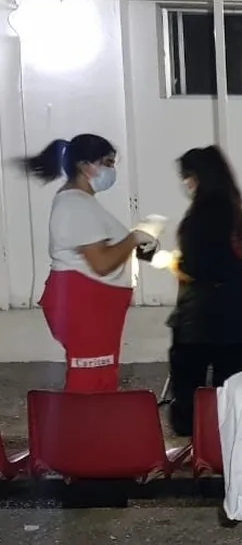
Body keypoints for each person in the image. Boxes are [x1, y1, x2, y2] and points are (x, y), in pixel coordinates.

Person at [22, 135, 162, 392]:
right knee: (91, 382)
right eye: (107, 163)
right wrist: (133, 238)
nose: (112, 170)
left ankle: (94, 418)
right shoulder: (75, 205)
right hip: (86, 305)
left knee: (99, 376)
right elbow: (101, 263)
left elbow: (103, 250)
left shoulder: (81, 202)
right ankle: (86, 420)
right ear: (85, 166)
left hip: (91, 304)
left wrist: (135, 246)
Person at [165, 146, 242, 436]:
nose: (186, 183)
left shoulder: (201, 217)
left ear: (198, 177)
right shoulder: (239, 216)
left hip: (201, 318)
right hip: (236, 315)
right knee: (230, 391)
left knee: (189, 392)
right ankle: (227, 445)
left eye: (187, 176)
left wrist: (173, 263)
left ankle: (196, 445)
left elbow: (194, 266)